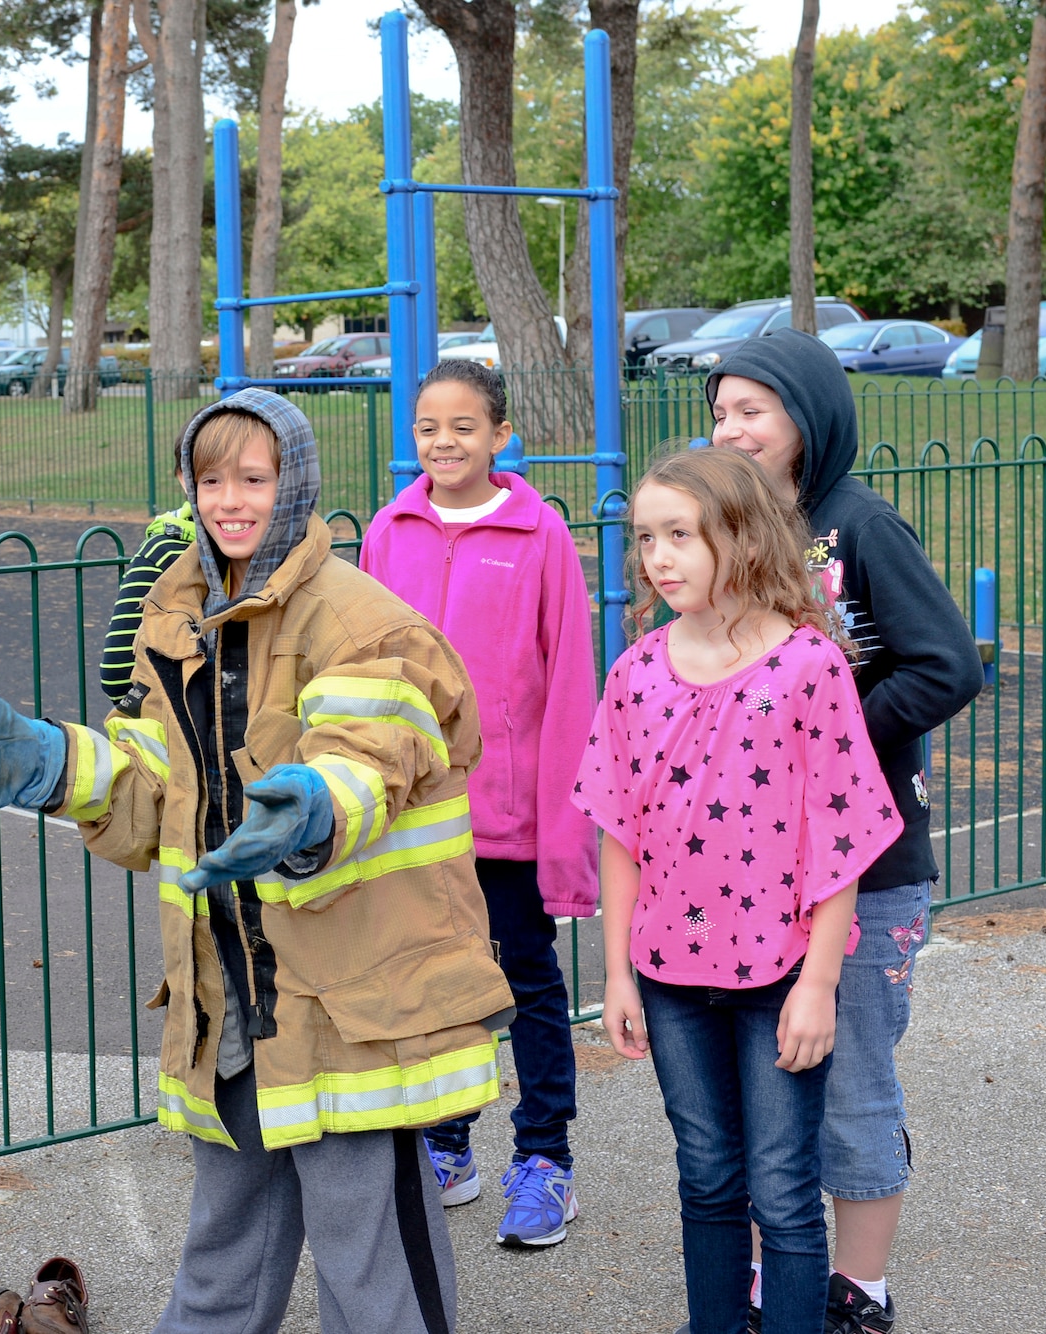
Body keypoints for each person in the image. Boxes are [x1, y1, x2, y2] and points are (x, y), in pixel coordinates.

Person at [0, 388, 515, 1334]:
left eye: (256, 478)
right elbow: (157, 776)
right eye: (210, 478)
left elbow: (371, 754)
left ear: (298, 483)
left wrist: (315, 807)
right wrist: (48, 763)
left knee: (370, 1258)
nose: (231, 499)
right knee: (225, 1245)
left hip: (350, 999)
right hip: (231, 996)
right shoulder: (181, 611)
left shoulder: (362, 621)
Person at [583, 447, 901, 1334]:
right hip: (671, 980)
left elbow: (840, 844)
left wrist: (820, 986)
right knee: (708, 1178)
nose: (660, 557)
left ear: (743, 534)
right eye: (647, 537)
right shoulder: (636, 671)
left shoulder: (809, 668)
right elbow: (618, 832)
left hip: (779, 978)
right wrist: (615, 975)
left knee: (784, 1191)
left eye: (681, 534)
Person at [706, 331, 981, 1334]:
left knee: (850, 1082)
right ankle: (754, 1277)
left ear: (807, 419)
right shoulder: (719, 529)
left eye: (752, 410)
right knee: (749, 1087)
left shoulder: (857, 528)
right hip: (742, 874)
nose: (730, 428)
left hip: (865, 870)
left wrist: (825, 731)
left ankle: (857, 1289)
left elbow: (946, 664)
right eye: (720, 410)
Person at [359, 359, 596, 1247]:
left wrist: (562, 834)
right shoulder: (389, 531)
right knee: (431, 989)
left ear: (502, 436)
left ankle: (545, 1160)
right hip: (417, 821)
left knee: (525, 987)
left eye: (463, 426)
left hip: (510, 823)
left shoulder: (540, 537)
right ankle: (448, 1143)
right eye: (427, 426)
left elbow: (567, 684)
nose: (443, 442)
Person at [100, 442, 195, 706]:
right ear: (185, 479)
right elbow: (118, 676)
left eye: (251, 479)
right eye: (212, 478)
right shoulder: (165, 552)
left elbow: (117, 677)